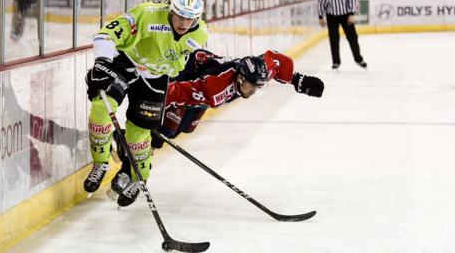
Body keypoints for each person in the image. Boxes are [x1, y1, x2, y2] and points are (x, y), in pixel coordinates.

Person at [109, 49, 324, 206]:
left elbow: (275, 60)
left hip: (199, 89)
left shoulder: (254, 72)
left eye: (259, 87)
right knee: (162, 134)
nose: (254, 92)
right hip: (184, 79)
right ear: (240, 78)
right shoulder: (214, 88)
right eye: (252, 87)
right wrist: (148, 115)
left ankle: (125, 142)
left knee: (185, 128)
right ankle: (129, 172)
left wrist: (297, 79)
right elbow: (175, 92)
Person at [84, 0, 208, 207]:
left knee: (139, 134)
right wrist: (102, 63)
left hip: (156, 76)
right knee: (102, 106)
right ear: (171, 8)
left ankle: (136, 178)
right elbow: (105, 36)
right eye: (180, 15)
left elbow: (179, 66)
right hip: (125, 64)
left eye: (190, 19)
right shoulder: (147, 13)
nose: (183, 23)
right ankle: (100, 163)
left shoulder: (200, 33)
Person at [318, 0, 367, 69]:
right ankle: (336, 61)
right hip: (331, 16)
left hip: (346, 15)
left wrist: (352, 13)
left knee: (352, 37)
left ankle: (358, 59)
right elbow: (321, 1)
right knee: (333, 38)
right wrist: (320, 16)